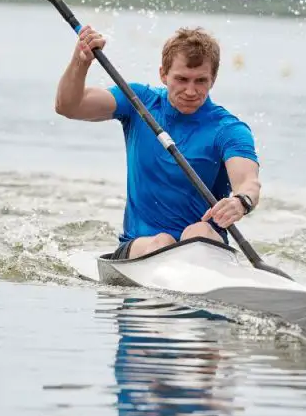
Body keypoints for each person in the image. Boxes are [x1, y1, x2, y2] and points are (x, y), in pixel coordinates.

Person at [54, 25, 261, 260]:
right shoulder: (139, 102)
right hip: (141, 247)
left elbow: (248, 182)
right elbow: (68, 106)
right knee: (162, 241)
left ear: (213, 79)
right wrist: (81, 62)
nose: (191, 91)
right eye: (181, 79)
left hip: (204, 247)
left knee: (198, 231)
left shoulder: (229, 129)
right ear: (163, 75)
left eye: (201, 81)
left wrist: (240, 201)